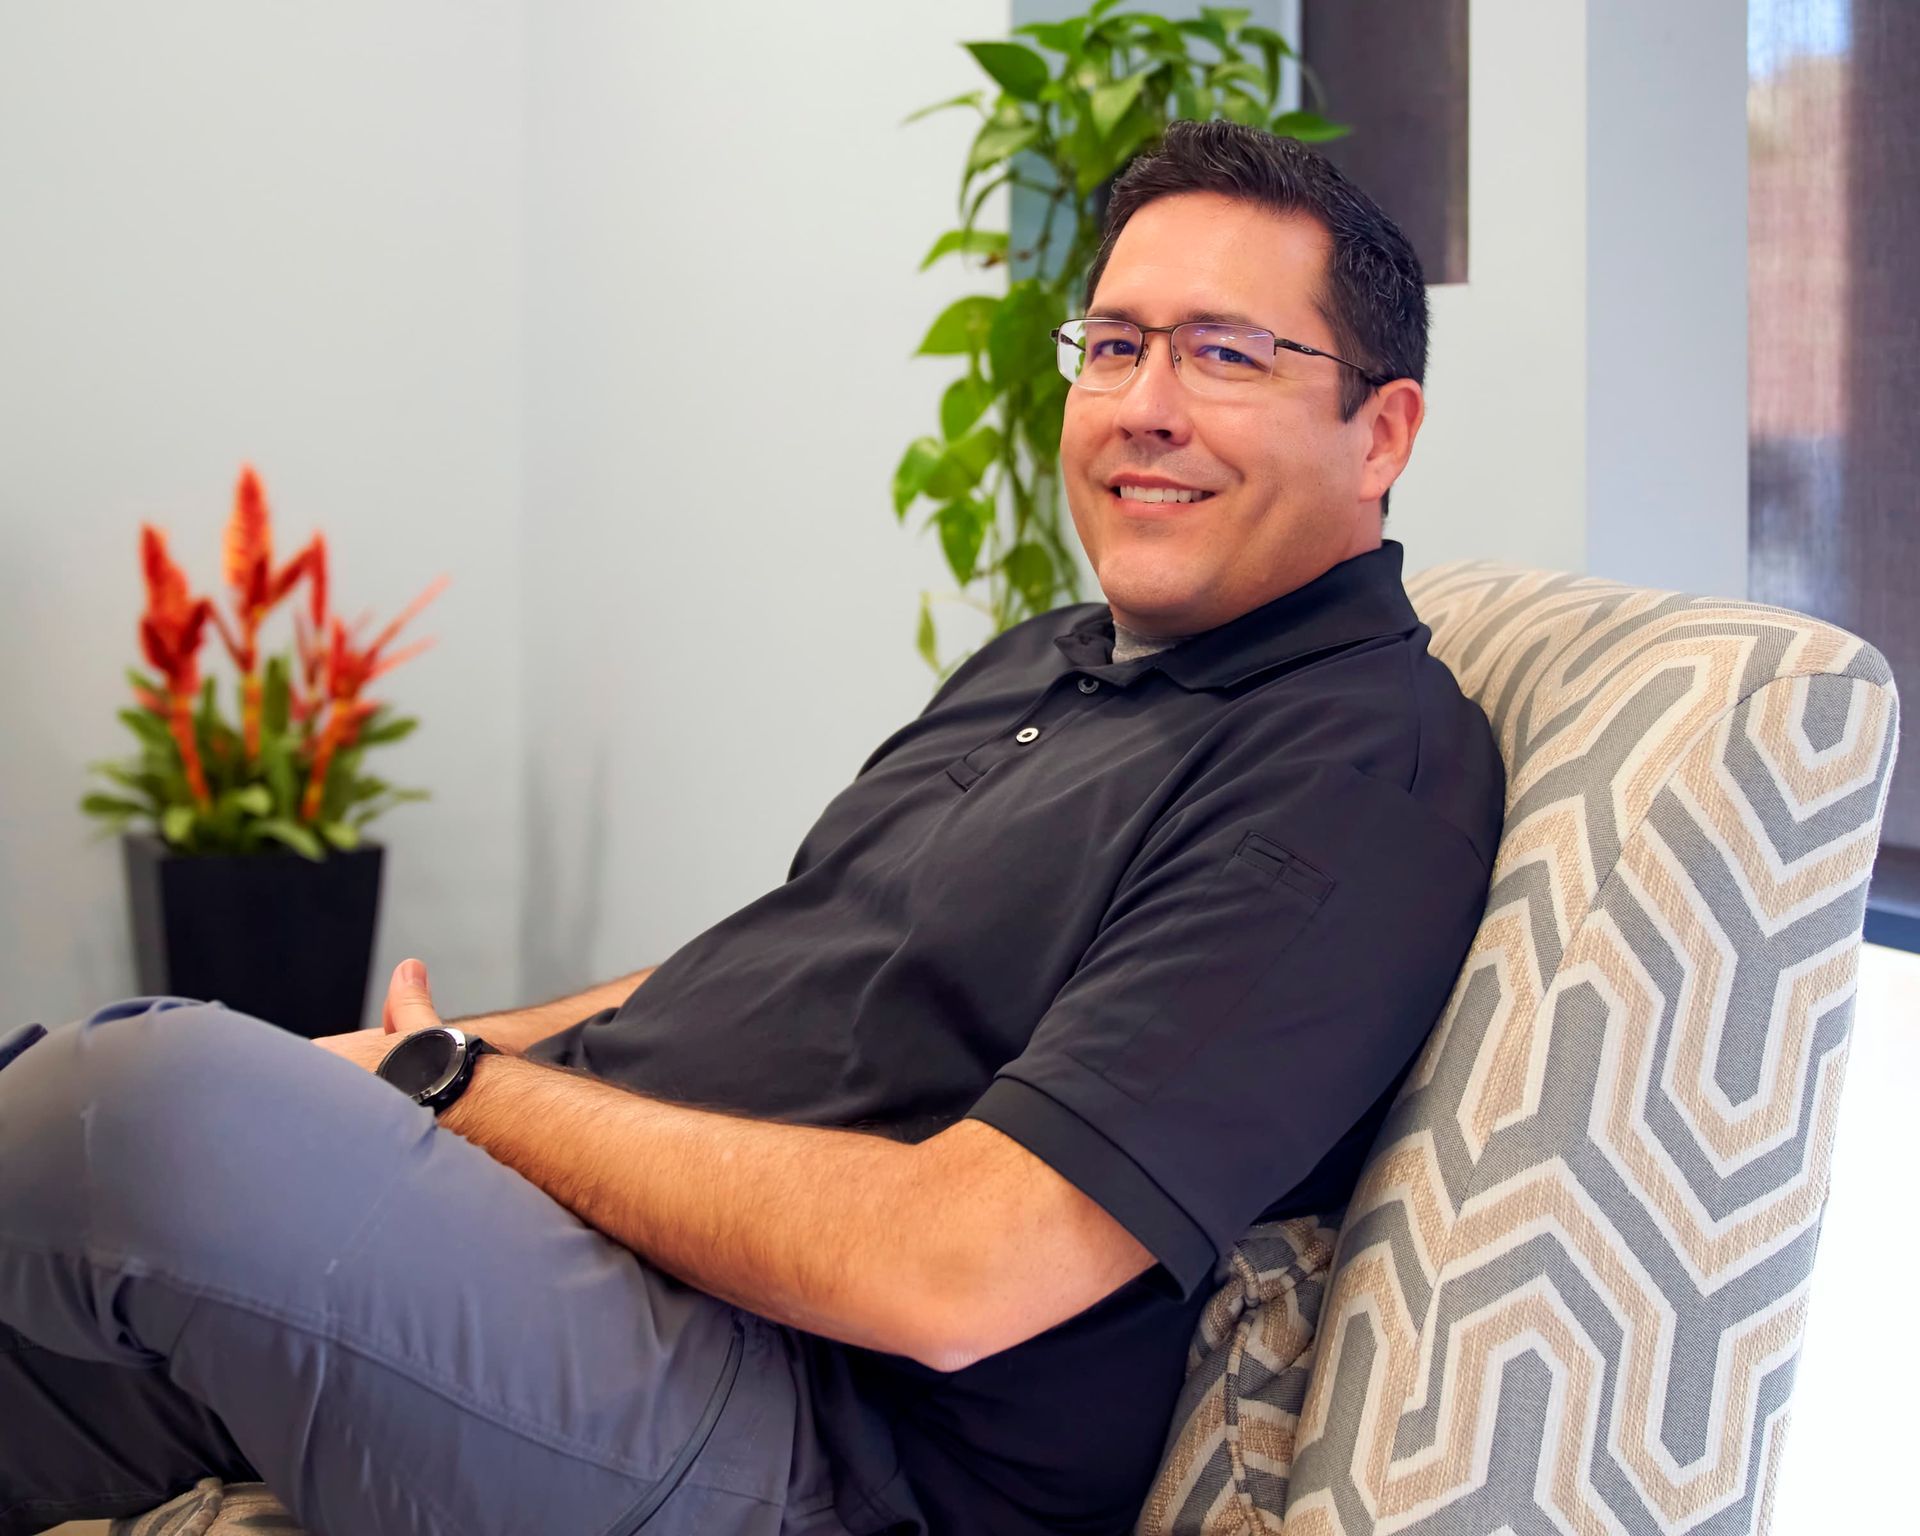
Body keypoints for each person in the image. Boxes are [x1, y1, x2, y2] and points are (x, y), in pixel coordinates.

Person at [0, 120, 1504, 1536]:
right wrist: (449, 1051)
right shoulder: (1050, 662)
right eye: (1115, 345)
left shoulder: (1353, 770)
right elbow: (776, 959)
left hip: (798, 1439)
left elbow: (963, 1270)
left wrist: (453, 1091)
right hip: (589, 1271)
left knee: (141, 1104)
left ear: (1382, 433)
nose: (1143, 405)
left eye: (1225, 354)